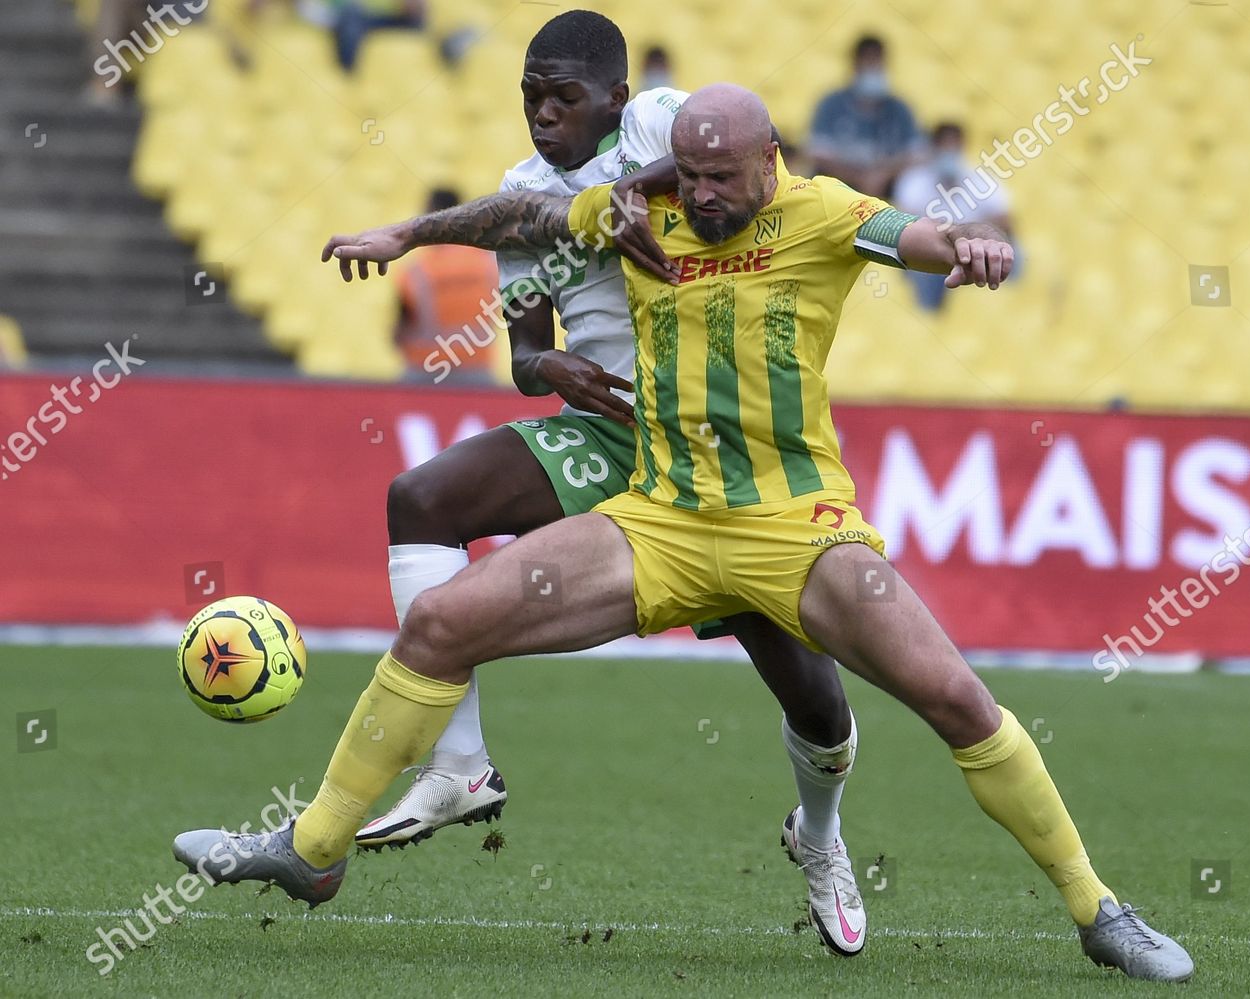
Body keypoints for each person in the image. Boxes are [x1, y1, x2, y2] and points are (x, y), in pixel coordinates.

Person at [175, 83, 1194, 982]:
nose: (698, 197)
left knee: (954, 699)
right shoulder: (642, 208)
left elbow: (916, 239)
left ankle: (1097, 910)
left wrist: (968, 248)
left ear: (770, 162)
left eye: (719, 179)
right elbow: (520, 217)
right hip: (658, 520)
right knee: (441, 622)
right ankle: (312, 851)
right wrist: (404, 235)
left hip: (797, 529)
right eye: (689, 175)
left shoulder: (824, 214)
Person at [357, 11, 865, 955]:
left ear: (618, 99)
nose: (545, 117)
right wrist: (556, 374)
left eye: (564, 98)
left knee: (816, 705)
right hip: (606, 428)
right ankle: (461, 765)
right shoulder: (518, 196)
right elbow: (524, 352)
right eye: (530, 99)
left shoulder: (662, 125)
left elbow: (731, 165)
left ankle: (822, 834)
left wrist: (620, 195)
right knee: (421, 498)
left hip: (718, 455)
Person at [894, 122, 1013, 311]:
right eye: (944, 146)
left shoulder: (982, 180)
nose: (950, 152)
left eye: (954, 146)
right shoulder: (914, 181)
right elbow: (902, 225)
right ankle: (928, 312)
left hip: (975, 251)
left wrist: (977, 234)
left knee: (1013, 253)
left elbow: (1006, 221)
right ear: (933, 148)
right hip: (930, 252)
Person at [393, 189, 499, 382]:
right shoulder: (489, 263)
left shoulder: (417, 270)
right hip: (476, 368)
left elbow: (399, 331)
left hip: (425, 370)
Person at [807, 35, 922, 198]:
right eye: (868, 62)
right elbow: (818, 153)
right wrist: (860, 178)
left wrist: (883, 175)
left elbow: (917, 154)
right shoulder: (832, 104)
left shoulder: (899, 109)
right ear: (855, 65)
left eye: (877, 63)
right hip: (840, 189)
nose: (873, 68)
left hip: (888, 189)